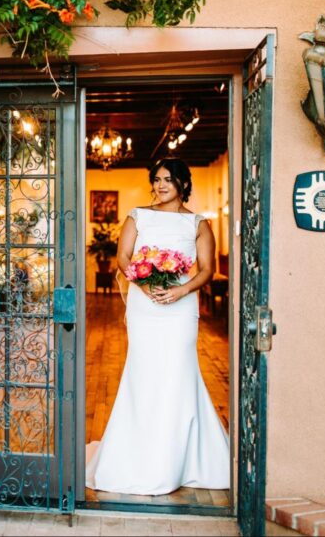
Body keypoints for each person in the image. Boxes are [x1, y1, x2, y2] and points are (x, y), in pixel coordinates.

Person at [85, 158, 230, 495]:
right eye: (157, 179)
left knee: (179, 372)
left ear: (183, 183)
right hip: (144, 306)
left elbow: (207, 269)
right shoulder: (138, 216)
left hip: (180, 311)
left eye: (168, 179)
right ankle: (138, 455)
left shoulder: (198, 223)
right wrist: (145, 285)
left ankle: (181, 459)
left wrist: (180, 290)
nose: (161, 185)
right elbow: (124, 259)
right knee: (144, 372)